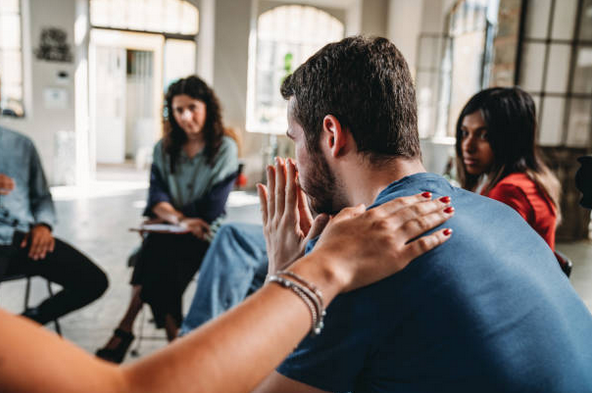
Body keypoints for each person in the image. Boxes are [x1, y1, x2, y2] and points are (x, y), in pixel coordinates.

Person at [246, 36, 592, 392]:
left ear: (332, 135)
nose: (296, 160)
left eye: (296, 140)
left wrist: (287, 280)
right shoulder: (502, 216)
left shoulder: (364, 259)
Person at [0, 194, 454, 393]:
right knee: (162, 248)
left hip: (197, 232)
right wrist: (325, 265)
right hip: (183, 234)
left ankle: (154, 330)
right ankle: (177, 331)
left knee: (167, 250)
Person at [96, 75, 239, 363]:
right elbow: (156, 197)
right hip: (174, 231)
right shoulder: (164, 148)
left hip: (205, 235)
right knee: (162, 252)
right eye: (178, 110)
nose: (186, 116)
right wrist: (180, 221)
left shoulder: (225, 147)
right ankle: (177, 344)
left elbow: (211, 209)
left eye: (192, 107)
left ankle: (126, 329)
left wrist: (174, 217)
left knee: (155, 253)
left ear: (208, 107)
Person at [0, 121, 108, 325]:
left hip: (22, 240)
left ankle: (22, 328)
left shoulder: (21, 144)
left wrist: (43, 225)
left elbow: (41, 197)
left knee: (92, 281)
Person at [455, 87, 561, 253]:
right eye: (464, 133)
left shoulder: (509, 190)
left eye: (484, 135)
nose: (468, 146)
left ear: (509, 139)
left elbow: (486, 259)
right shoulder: (529, 181)